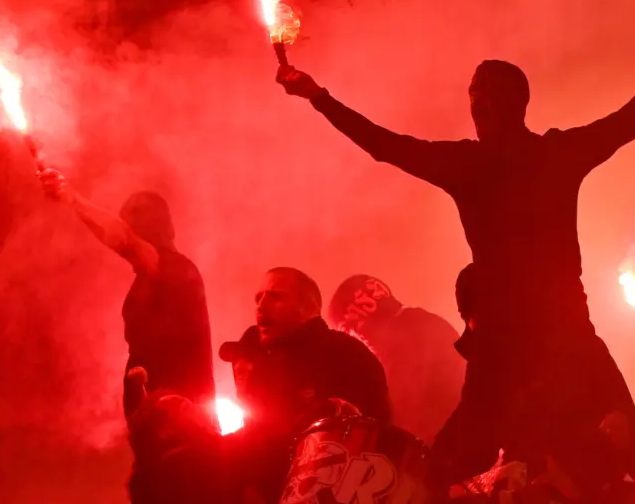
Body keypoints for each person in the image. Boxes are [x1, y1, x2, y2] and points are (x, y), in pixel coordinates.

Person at [279, 6, 635, 487]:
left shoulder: (480, 162)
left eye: (480, 94)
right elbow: (632, 121)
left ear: (507, 102)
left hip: (527, 338)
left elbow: (384, 144)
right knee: (596, 450)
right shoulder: (544, 155)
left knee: (458, 467)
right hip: (545, 333)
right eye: (473, 94)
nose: (475, 104)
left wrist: (319, 97)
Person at [37, 169, 214, 421]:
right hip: (154, 420)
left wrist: (72, 198)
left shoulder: (179, 268)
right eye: (129, 214)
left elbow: (125, 241)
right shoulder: (148, 277)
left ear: (166, 223)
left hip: (184, 422)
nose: (134, 219)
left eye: (142, 211)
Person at [218, 267, 393, 502]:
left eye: (275, 296)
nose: (261, 305)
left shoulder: (347, 355)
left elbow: (368, 441)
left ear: (309, 309)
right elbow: (255, 439)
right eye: (259, 298)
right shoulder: (262, 363)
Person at [327, 274, 465, 444]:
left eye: (351, 327)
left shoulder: (407, 334)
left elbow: (406, 409)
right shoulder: (421, 322)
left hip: (438, 449)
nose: (356, 337)